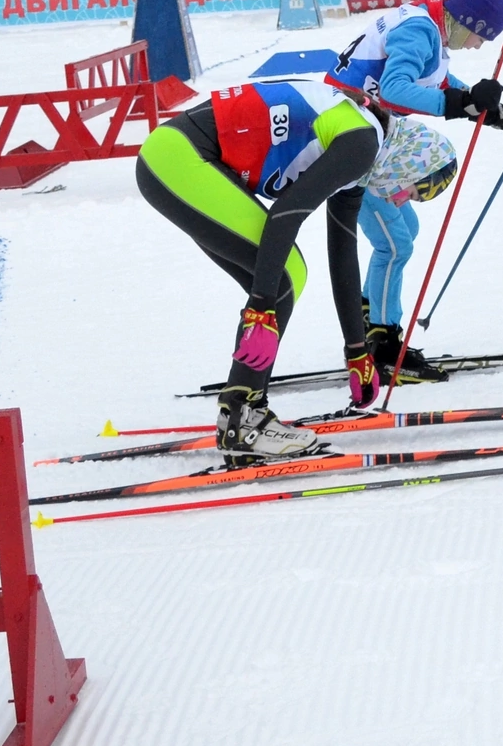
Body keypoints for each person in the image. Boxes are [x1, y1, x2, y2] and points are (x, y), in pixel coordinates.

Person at [134, 76, 385, 459]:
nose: (403, 198)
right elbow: (285, 214)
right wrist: (261, 308)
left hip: (174, 156)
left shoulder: (359, 148)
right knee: (283, 274)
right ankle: (244, 420)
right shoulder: (362, 142)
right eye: (421, 188)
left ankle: (240, 414)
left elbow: (342, 253)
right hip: (179, 157)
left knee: (282, 274)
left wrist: (356, 349)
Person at [329, 0, 503, 138]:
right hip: (345, 118)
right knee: (440, 159)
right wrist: (462, 103)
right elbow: (392, 90)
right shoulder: (419, 30)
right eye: (480, 39)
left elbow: (437, 80)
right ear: (470, 22)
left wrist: (489, 112)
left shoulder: (428, 19)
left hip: (358, 114)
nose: (476, 47)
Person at [353, 120, 459, 402]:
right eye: (412, 193)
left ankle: (368, 312)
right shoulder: (389, 173)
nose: (404, 201)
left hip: (379, 169)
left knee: (408, 229)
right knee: (395, 248)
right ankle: (383, 343)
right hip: (365, 182)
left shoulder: (404, 158)